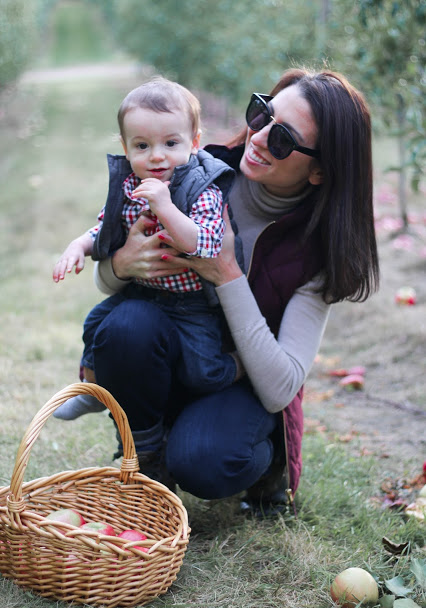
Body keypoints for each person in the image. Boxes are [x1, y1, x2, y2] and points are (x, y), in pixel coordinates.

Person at [84, 68, 379, 514]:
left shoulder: (318, 251)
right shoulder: (193, 174)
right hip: (171, 348)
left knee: (206, 461)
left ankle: (263, 467)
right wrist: (120, 263)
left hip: (239, 382)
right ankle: (144, 457)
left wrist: (227, 273)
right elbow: (110, 277)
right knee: (124, 325)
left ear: (319, 170)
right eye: (261, 115)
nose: (258, 138)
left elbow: (281, 387)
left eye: (282, 140)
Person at [52, 78, 244, 427]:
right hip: (142, 292)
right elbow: (107, 228)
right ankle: (92, 388)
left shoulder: (203, 187)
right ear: (126, 148)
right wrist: (78, 245)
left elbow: (202, 242)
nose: (156, 156)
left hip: (191, 304)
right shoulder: (130, 184)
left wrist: (166, 206)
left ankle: (236, 366)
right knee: (96, 322)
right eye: (142, 145)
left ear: (194, 142)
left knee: (203, 371)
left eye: (171, 143)